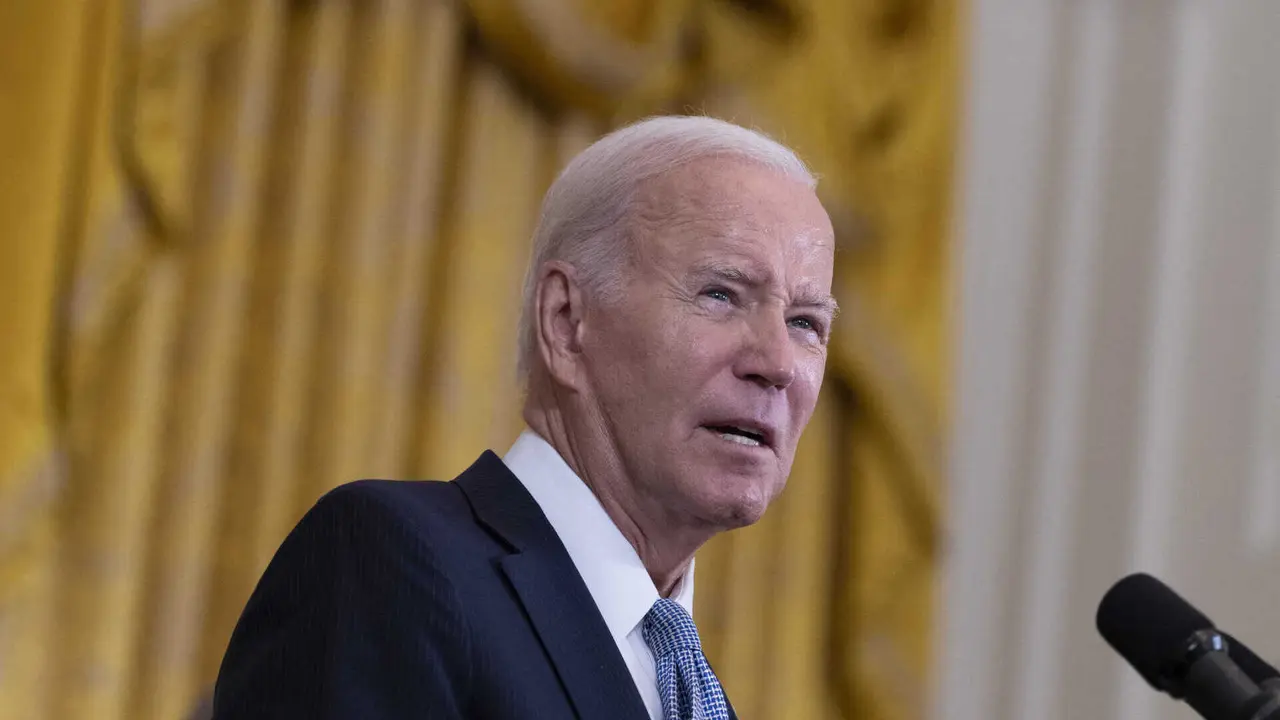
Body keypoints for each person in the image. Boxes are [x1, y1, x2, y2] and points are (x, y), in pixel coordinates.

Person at [211, 115, 837, 720]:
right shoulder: (392, 567)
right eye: (720, 294)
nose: (778, 363)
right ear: (565, 321)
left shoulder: (695, 693)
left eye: (806, 322)